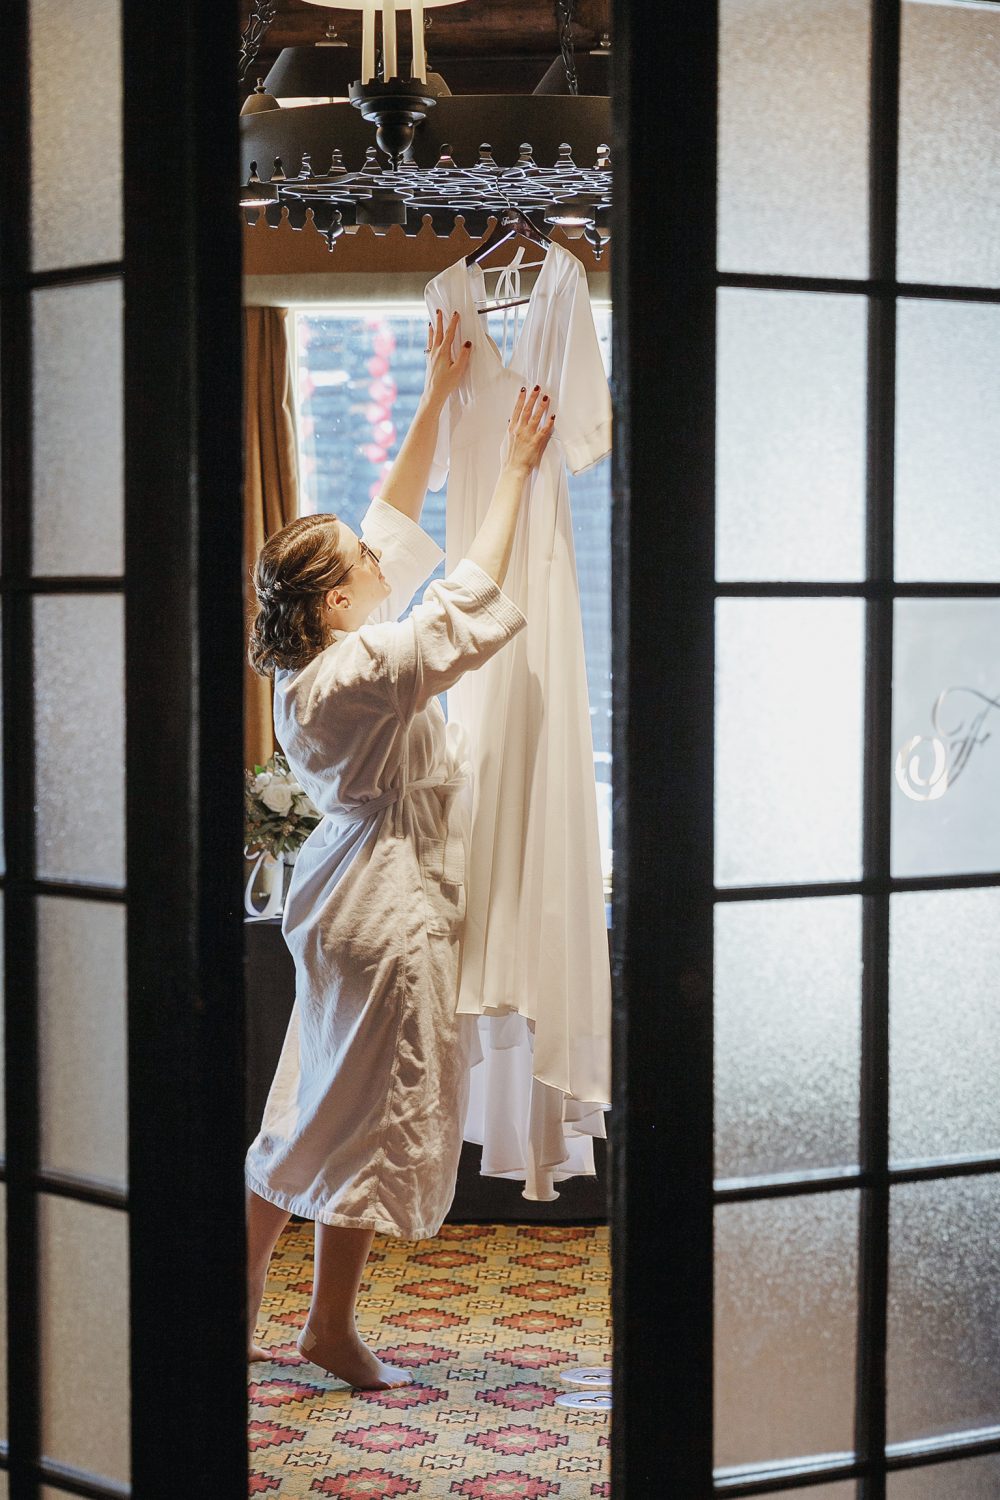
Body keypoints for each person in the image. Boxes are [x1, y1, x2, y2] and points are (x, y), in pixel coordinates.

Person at [244, 309, 556, 1390]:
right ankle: (327, 1326)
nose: (384, 556)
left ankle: (234, 1301)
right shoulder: (361, 669)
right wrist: (514, 466)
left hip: (340, 895)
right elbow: (463, 595)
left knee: (305, 1107)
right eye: (365, 562)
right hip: (383, 907)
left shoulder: (310, 669)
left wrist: (431, 395)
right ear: (339, 599)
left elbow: (397, 516)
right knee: (362, 1119)